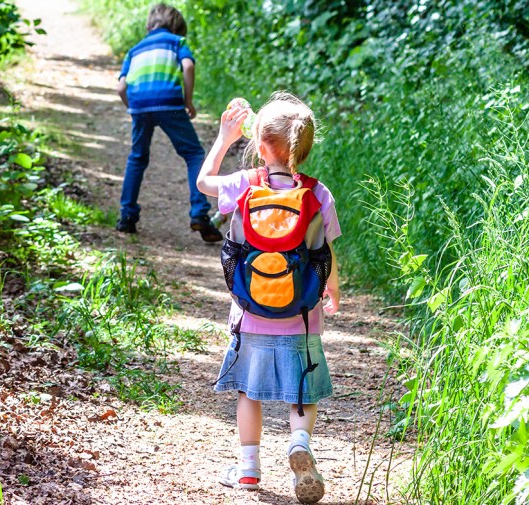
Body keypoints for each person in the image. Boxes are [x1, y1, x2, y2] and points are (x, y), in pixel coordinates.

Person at [196, 92, 341, 503]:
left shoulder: (245, 184)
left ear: (259, 147)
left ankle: (248, 471)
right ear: (304, 149)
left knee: (249, 392)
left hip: (249, 312)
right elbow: (326, 251)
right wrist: (332, 290)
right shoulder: (318, 194)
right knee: (301, 389)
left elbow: (203, 182)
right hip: (301, 314)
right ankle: (299, 442)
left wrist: (224, 139)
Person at [115, 3, 222, 242]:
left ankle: (126, 217)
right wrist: (188, 101)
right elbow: (188, 65)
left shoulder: (134, 50)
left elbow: (121, 87)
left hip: (139, 104)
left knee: (137, 158)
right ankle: (199, 214)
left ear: (150, 25)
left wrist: (133, 108)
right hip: (169, 101)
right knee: (194, 154)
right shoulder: (177, 42)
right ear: (177, 27)